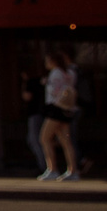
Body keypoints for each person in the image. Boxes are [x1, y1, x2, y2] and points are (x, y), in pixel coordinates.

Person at [38, 45, 80, 181]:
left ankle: (52, 169)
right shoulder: (70, 73)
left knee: (44, 138)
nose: (46, 63)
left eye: (47, 60)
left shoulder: (56, 73)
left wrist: (47, 84)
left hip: (55, 108)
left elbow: (55, 91)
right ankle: (72, 170)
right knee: (65, 140)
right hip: (66, 108)